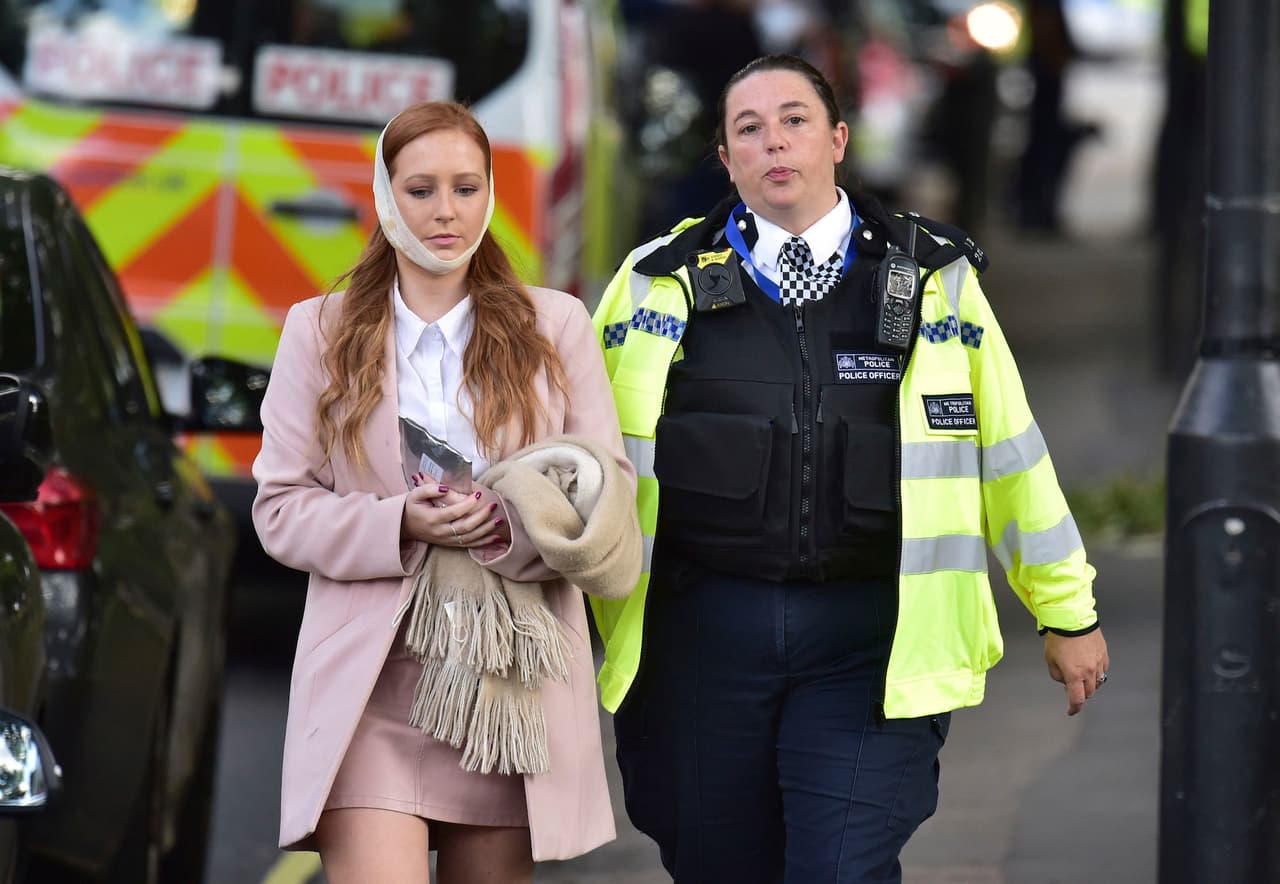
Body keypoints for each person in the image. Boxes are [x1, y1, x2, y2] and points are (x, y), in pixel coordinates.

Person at [589, 54, 1109, 883]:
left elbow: (1010, 454)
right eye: (748, 130)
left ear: (837, 139)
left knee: (840, 871)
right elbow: (584, 465)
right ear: (726, 160)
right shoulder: (654, 285)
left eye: (794, 120)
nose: (773, 142)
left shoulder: (933, 283)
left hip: (869, 647)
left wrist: (1065, 611)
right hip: (698, 647)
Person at [252, 100, 635, 883]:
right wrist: (400, 522)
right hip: (370, 684)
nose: (445, 212)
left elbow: (607, 497)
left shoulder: (555, 327)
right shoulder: (316, 331)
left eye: (466, 187)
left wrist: (507, 525)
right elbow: (280, 509)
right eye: (421, 189)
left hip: (507, 690)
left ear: (491, 193)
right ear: (386, 197)